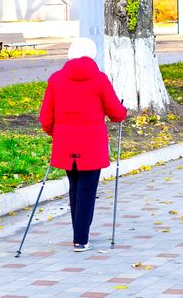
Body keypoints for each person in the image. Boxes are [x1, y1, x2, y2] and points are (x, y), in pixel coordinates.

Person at [39, 37, 127, 252]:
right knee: (87, 189)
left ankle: (79, 233)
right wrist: (122, 113)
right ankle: (81, 238)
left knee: (75, 187)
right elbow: (116, 113)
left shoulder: (56, 79)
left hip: (65, 143)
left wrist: (54, 132)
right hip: (92, 144)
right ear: (92, 54)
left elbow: (45, 118)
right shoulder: (99, 80)